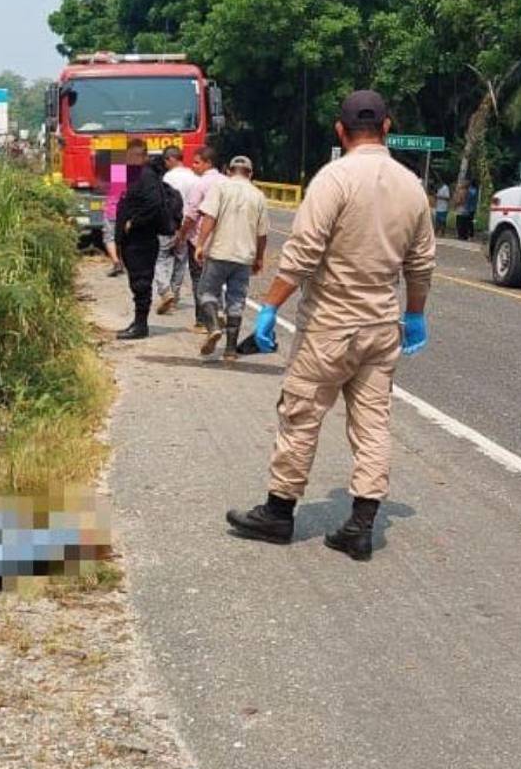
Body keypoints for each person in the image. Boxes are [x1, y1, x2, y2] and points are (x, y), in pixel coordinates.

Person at [226, 90, 436, 560]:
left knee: (300, 416)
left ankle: (278, 515)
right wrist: (415, 313)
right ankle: (361, 525)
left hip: (329, 326)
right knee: (373, 424)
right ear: (387, 127)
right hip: (382, 327)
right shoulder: (411, 187)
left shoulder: (333, 179)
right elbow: (420, 265)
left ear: (340, 131)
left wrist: (268, 307)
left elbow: (302, 255)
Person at [195, 156, 269, 361]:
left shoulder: (220, 188)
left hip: (220, 252)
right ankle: (230, 350)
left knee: (207, 292)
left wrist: (201, 244)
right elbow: (262, 234)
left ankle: (213, 328)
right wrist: (259, 258)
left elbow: (210, 217)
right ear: (251, 174)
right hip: (244, 256)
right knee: (236, 301)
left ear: (229, 171)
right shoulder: (258, 196)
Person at [114, 140, 167, 340]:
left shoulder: (147, 177)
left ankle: (141, 325)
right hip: (132, 241)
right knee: (136, 282)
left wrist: (133, 222)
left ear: (141, 156)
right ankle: (138, 321)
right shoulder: (133, 175)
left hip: (141, 240)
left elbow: (153, 205)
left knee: (142, 282)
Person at [180, 146, 227, 332]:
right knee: (218, 278)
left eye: (197, 162)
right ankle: (219, 311)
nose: (193, 166)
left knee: (199, 279)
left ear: (208, 163)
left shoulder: (200, 184)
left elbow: (191, 215)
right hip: (223, 238)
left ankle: (203, 320)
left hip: (200, 240)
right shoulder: (227, 182)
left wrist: (182, 234)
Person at [154, 146, 198, 314]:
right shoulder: (193, 177)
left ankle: (165, 291)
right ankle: (175, 294)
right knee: (180, 261)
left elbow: (164, 203)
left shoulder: (168, 178)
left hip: (168, 225)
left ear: (170, 159)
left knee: (161, 257)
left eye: (166, 161)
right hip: (187, 226)